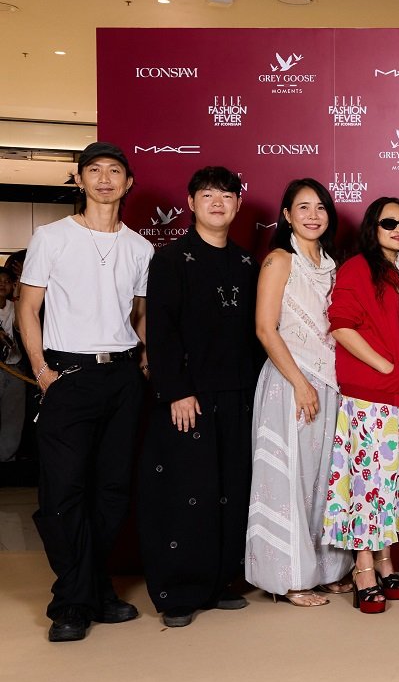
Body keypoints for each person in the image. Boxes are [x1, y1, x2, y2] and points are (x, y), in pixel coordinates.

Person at [18, 142, 153, 642]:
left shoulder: (140, 247)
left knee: (113, 492)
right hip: (67, 375)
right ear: (79, 181)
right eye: (93, 171)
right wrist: (41, 370)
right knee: (62, 492)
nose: (103, 179)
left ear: (128, 183)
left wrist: (141, 361)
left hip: (120, 377)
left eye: (113, 171)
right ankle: (71, 601)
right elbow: (28, 308)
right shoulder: (51, 237)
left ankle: (93, 588)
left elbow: (138, 314)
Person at [139, 166, 262, 628]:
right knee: (185, 491)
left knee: (231, 489)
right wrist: (176, 391)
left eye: (226, 195)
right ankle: (178, 593)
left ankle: (219, 583)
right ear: (190, 203)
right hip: (188, 396)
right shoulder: (170, 260)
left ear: (237, 204)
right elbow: (162, 331)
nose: (217, 202)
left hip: (238, 394)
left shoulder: (248, 263)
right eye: (207, 194)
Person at [322, 197, 399, 614]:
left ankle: (387, 562)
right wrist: (385, 365)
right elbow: (341, 325)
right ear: (373, 227)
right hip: (371, 397)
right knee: (370, 487)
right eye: (389, 222)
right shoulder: (358, 267)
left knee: (390, 487)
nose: (398, 228)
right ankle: (363, 571)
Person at [244, 179, 352, 607]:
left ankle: (325, 570)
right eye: (302, 207)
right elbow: (264, 329)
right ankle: (288, 578)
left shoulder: (334, 264)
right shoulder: (278, 260)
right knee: (288, 478)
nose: (313, 215)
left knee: (325, 478)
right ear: (287, 215)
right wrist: (301, 383)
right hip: (291, 384)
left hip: (332, 383)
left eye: (320, 207)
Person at [0, 268, 26, 462]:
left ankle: (7, 460)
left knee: (13, 416)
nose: (2, 284)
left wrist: (17, 295)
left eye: (7, 281)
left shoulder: (14, 305)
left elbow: (20, 326)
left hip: (15, 369)